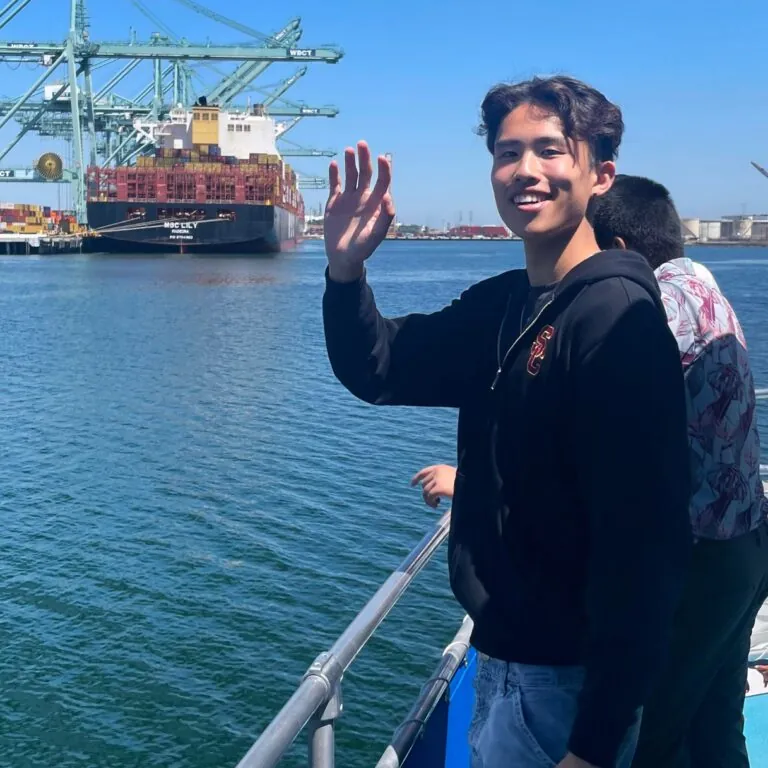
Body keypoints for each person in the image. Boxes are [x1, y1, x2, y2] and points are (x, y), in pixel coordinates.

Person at [322, 76, 692, 768]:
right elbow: (380, 368)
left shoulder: (617, 321)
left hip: (565, 682)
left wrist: (593, 743)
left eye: (550, 150)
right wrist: (345, 274)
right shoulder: (509, 303)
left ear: (599, 172)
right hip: (507, 655)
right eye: (507, 151)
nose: (525, 170)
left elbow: (645, 547)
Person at [412, 173, 768, 766]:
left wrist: (471, 482)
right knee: (714, 728)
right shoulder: (699, 280)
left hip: (699, 560)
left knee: (653, 732)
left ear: (619, 253)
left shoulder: (649, 309)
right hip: (745, 543)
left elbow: (584, 434)